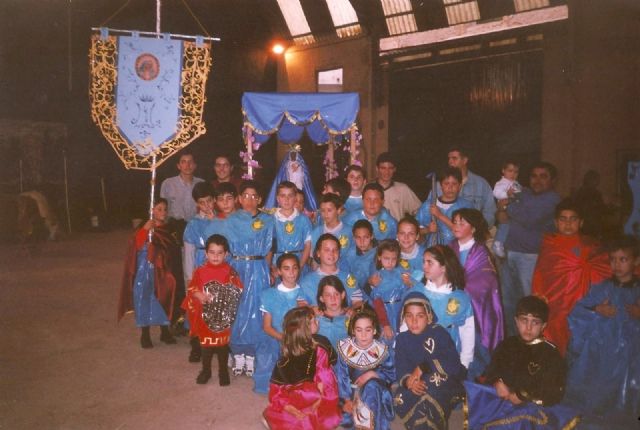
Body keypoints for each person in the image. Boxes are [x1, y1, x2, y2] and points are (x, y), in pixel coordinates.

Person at [464, 296, 577, 430]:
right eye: (524, 320)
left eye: (535, 322)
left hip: (532, 405)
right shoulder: (507, 345)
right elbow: (493, 369)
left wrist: (523, 395)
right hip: (503, 401)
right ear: (516, 321)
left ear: (543, 326)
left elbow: (554, 389)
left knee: (518, 423)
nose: (528, 328)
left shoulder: (550, 353)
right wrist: (498, 381)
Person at [565, 236, 640, 427]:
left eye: (623, 259)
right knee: (597, 394)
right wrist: (597, 309)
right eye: (613, 259)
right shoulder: (603, 288)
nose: (617, 264)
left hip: (632, 358)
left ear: (636, 261)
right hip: (602, 353)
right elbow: (577, 313)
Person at [531, 199, 611, 355]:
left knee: (579, 350)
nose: (568, 223)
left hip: (584, 306)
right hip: (556, 306)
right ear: (556, 222)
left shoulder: (591, 245)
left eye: (573, 219)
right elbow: (540, 275)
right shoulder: (549, 245)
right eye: (563, 219)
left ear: (581, 222)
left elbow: (604, 270)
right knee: (554, 347)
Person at [498, 161, 561, 335]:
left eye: (543, 176)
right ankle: (513, 343)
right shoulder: (524, 193)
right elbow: (502, 217)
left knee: (530, 305)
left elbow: (529, 218)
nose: (537, 180)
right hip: (509, 254)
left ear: (553, 180)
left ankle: (533, 346)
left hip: (531, 259)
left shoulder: (553, 199)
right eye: (534, 176)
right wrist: (507, 208)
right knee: (508, 304)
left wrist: (508, 206)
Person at [394, 292, 466, 430]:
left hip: (443, 379)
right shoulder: (402, 339)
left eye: (420, 316)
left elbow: (453, 364)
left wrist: (423, 367)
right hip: (416, 382)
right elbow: (401, 366)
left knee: (431, 387)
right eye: (409, 316)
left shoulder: (438, 332)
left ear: (428, 316)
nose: (414, 321)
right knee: (400, 398)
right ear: (404, 317)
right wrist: (409, 381)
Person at [225, 180, 274, 378]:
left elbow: (270, 247)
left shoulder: (268, 220)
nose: (249, 200)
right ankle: (237, 352)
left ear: (260, 199)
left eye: (254, 196)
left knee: (255, 309)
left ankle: (253, 353)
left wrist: (268, 270)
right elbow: (227, 248)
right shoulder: (232, 220)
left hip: (258, 266)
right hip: (237, 267)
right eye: (245, 195)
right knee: (237, 308)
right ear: (239, 198)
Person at [263, 307, 341, 430]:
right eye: (314, 321)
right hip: (297, 396)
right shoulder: (286, 358)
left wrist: (319, 401)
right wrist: (290, 408)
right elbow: (278, 387)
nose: (318, 322)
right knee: (300, 414)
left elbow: (325, 378)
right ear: (304, 330)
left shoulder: (320, 345)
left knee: (318, 412)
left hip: (318, 393)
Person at [118, 198, 182, 348]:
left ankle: (165, 330)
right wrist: (145, 230)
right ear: (151, 210)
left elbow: (173, 248)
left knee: (164, 296)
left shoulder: (168, 229)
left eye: (165, 209)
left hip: (163, 269)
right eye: (159, 209)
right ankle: (145, 334)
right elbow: (136, 245)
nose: (163, 212)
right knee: (145, 297)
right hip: (146, 268)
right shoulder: (145, 227)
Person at [450, 208, 504, 378]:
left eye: (462, 222)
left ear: (473, 228)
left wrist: (459, 290)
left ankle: (475, 374)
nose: (456, 226)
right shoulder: (450, 247)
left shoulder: (480, 252)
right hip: (450, 302)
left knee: (473, 343)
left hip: (474, 306)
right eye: (455, 222)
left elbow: (487, 280)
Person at [183, 234, 243, 385]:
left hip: (222, 316)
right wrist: (198, 294)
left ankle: (223, 371)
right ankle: (206, 370)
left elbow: (238, 287)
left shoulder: (230, 271)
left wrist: (227, 294)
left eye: (220, 253)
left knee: (222, 345)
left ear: (226, 254)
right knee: (206, 345)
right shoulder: (200, 270)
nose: (215, 256)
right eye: (212, 252)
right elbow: (192, 287)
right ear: (206, 253)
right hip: (205, 314)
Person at [409, 245, 475, 369]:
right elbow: (405, 325)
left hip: (449, 353)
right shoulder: (417, 292)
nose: (424, 266)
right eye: (424, 262)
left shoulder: (460, 298)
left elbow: (467, 331)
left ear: (444, 267)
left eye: (430, 263)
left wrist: (464, 362)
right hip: (419, 351)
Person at [336, 306, 396, 429]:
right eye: (359, 330)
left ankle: (369, 425)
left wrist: (374, 374)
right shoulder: (345, 349)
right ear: (353, 330)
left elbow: (392, 375)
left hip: (377, 392)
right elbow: (341, 377)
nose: (363, 335)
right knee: (346, 414)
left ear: (374, 331)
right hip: (352, 393)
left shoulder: (381, 349)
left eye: (368, 330)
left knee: (371, 386)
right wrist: (347, 400)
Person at [254, 253, 305, 394]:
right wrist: (284, 338)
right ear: (279, 271)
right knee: (267, 356)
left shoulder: (304, 292)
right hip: (276, 336)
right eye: (286, 268)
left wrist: (296, 340)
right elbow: (267, 326)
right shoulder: (269, 295)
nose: (291, 272)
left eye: (295, 268)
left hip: (300, 338)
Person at [299, 234, 362, 307]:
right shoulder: (307, 281)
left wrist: (352, 311)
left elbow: (358, 303)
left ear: (339, 253)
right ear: (318, 253)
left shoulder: (349, 278)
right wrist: (312, 310)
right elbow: (302, 306)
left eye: (335, 250)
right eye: (327, 250)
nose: (331, 253)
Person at [416, 167, 473, 245]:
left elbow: (467, 232)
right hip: (431, 252)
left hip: (456, 254)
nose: (450, 187)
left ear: (460, 186)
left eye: (454, 184)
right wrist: (428, 230)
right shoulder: (428, 206)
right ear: (440, 185)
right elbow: (414, 231)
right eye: (446, 183)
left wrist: (440, 215)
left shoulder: (466, 206)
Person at [368, 239, 411, 342]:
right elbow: (377, 303)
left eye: (393, 259)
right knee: (387, 341)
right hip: (385, 316)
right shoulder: (377, 278)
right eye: (386, 258)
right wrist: (385, 324)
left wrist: (409, 284)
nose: (390, 262)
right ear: (379, 257)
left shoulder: (402, 274)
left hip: (402, 314)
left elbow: (409, 295)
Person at [442, 147, 496, 227]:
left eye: (454, 158)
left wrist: (478, 229)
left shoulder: (481, 184)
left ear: (465, 160)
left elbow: (490, 212)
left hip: (474, 235)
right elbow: (429, 210)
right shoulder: (439, 185)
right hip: (447, 235)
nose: (450, 162)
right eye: (449, 158)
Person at [271, 181, 313, 277]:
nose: (287, 199)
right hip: (278, 265)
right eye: (283, 196)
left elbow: (308, 244)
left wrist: (300, 266)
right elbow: (269, 247)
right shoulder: (271, 220)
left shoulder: (303, 220)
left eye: (290, 196)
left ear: (295, 198)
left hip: (298, 263)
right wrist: (273, 267)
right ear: (278, 199)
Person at [159, 151, 204, 229]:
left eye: (190, 162)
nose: (187, 165)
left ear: (195, 165)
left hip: (196, 226)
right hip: (173, 226)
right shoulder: (168, 183)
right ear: (178, 166)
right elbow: (161, 208)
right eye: (183, 162)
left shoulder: (201, 183)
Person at [182, 182, 216, 285]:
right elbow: (189, 253)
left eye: (209, 201)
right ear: (197, 203)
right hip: (200, 264)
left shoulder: (222, 220)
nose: (206, 206)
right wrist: (189, 277)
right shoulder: (193, 224)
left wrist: (215, 222)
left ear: (214, 199)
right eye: (202, 202)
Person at [375, 152, 421, 221]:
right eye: (383, 168)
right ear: (377, 169)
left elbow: (419, 211)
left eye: (390, 168)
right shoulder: (368, 188)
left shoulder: (402, 189)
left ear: (394, 169)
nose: (387, 172)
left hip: (397, 231)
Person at [309, 193, 352, 262]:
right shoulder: (316, 232)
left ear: (338, 210)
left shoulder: (349, 231)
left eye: (329, 210)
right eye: (323, 210)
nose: (325, 214)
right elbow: (314, 260)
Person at [492, 160, 522, 257]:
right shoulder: (501, 183)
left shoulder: (516, 183)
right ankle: (498, 243)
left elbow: (521, 194)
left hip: (515, 209)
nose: (513, 174)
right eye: (510, 171)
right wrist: (506, 194)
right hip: (505, 208)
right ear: (503, 171)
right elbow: (496, 193)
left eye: (516, 172)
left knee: (512, 227)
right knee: (505, 226)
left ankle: (506, 244)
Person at [340, 219, 378, 294]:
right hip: (357, 293)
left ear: (372, 236)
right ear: (353, 238)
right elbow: (344, 276)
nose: (362, 242)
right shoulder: (350, 254)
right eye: (358, 238)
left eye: (366, 237)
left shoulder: (381, 251)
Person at [316, 275, 349, 349]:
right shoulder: (316, 321)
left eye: (336, 294)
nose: (333, 299)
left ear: (343, 295)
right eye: (328, 295)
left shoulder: (353, 318)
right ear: (321, 298)